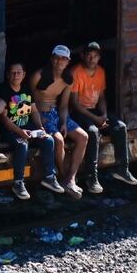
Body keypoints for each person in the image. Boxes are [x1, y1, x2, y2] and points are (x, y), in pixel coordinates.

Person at [69, 41, 137, 193]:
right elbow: (74, 104)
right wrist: (96, 119)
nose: (91, 59)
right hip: (80, 112)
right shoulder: (76, 72)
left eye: (95, 56)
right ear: (82, 56)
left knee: (120, 127)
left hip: (95, 110)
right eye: (88, 55)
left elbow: (101, 97)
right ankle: (91, 178)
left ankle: (122, 170)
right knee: (93, 132)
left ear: (99, 58)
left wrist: (104, 115)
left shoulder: (100, 71)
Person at [0, 60, 63, 200]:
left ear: (24, 74)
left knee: (48, 139)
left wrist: (40, 127)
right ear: (8, 75)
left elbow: (33, 111)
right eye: (12, 73)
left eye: (18, 72)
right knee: (22, 144)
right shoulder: (2, 90)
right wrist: (20, 132)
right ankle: (18, 182)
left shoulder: (26, 88)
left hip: (27, 127)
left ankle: (49, 177)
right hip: (9, 130)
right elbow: (4, 120)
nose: (15, 75)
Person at [29, 45, 87, 199]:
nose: (59, 61)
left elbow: (63, 105)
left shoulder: (68, 79)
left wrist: (63, 122)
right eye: (57, 57)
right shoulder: (38, 75)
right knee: (59, 140)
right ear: (51, 59)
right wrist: (38, 117)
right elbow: (28, 99)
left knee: (83, 137)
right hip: (40, 114)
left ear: (68, 61)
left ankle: (70, 179)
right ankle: (62, 176)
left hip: (56, 113)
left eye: (63, 58)